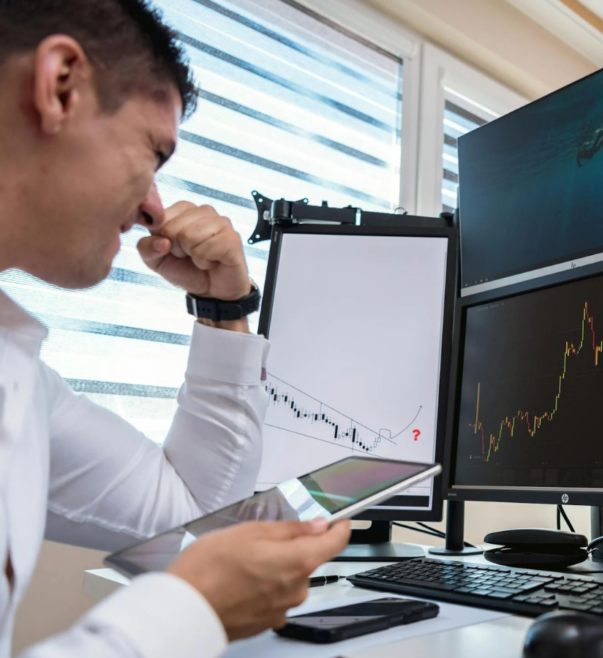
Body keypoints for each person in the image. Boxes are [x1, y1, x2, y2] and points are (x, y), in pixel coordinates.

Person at [0, 1, 352, 656]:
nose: (153, 207)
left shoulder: (22, 379)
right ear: (60, 85)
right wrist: (191, 608)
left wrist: (224, 310)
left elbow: (188, 511)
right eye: (153, 151)